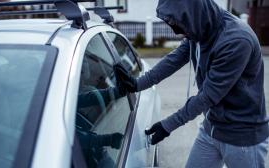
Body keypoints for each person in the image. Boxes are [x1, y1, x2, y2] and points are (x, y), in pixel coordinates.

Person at [114, 0, 269, 167]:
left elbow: (207, 96)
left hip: (242, 137)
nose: (177, 33)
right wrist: (137, 84)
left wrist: (168, 125)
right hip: (212, 128)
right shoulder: (200, 28)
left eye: (179, 25)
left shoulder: (236, 40)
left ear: (193, 14)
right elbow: (173, 60)